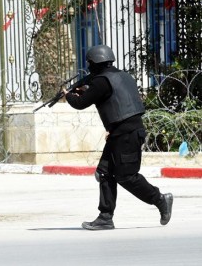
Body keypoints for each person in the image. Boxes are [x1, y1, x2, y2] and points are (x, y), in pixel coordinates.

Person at [63, 44, 173, 230]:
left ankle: (160, 199)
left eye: (90, 64)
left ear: (95, 63)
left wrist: (68, 95)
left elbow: (81, 103)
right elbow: (112, 98)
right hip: (121, 132)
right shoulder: (122, 76)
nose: (89, 68)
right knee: (104, 172)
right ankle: (105, 217)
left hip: (126, 134)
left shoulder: (100, 81)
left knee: (127, 176)